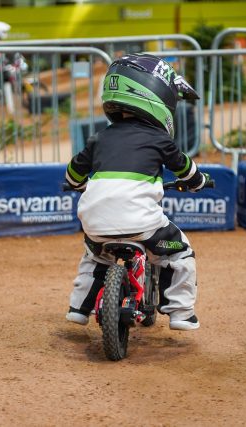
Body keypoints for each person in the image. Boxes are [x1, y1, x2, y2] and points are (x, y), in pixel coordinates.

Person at [64, 53, 209, 331]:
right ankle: (181, 312)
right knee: (180, 254)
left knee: (94, 257)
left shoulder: (99, 137)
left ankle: (78, 308)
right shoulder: (158, 138)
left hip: (95, 224)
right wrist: (199, 181)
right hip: (142, 223)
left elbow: (73, 172)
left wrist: (76, 184)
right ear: (157, 96)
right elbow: (185, 169)